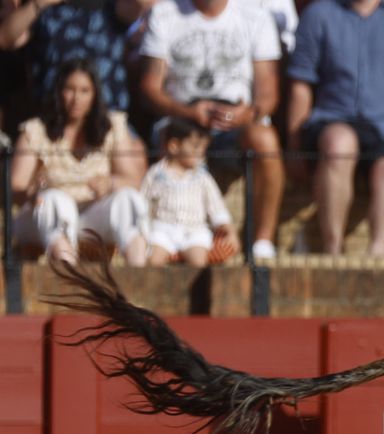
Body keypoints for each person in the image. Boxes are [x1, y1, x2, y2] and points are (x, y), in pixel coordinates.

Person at [286, 0, 384, 256]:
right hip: (333, 119)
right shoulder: (319, 14)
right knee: (338, 145)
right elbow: (300, 85)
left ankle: (377, 257)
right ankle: (332, 251)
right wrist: (294, 147)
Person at [137, 0, 285, 260]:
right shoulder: (164, 13)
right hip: (181, 119)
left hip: (236, 123)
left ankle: (262, 243)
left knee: (266, 139)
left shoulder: (256, 16)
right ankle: (163, 237)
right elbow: (150, 89)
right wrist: (188, 112)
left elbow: (269, 95)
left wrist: (246, 114)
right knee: (166, 138)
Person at [9, 59, 150, 265]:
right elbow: (16, 187)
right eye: (70, 89)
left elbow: (134, 180)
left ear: (95, 95)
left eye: (84, 91)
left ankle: (137, 280)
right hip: (44, 219)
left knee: (128, 199)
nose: (76, 98)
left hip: (91, 216)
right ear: (58, 92)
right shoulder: (36, 130)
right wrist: (33, 192)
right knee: (56, 200)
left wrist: (110, 183)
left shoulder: (112, 126)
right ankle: (69, 275)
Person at [0, 0, 155, 113]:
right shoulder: (44, 9)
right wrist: (36, 4)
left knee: (133, 152)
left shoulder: (111, 6)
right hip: (54, 116)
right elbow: (5, 39)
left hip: (106, 115)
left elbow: (141, 4)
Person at [140, 116, 239, 265]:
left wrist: (228, 230)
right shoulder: (155, 174)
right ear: (174, 145)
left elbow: (216, 207)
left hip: (194, 231)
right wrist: (141, 231)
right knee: (153, 260)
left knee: (198, 261)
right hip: (162, 229)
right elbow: (142, 203)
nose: (200, 153)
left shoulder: (202, 177)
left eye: (203, 148)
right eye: (195, 147)